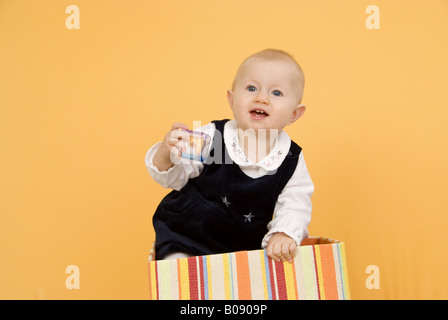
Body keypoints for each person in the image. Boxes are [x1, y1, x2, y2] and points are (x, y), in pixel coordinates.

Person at [145, 49, 314, 263]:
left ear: (294, 114)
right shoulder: (212, 136)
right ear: (232, 100)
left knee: (247, 281)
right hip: (187, 234)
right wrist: (166, 154)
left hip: (240, 249)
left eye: (276, 93)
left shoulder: (290, 158)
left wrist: (284, 233)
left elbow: (296, 203)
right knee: (179, 270)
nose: (261, 98)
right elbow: (176, 177)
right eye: (251, 88)